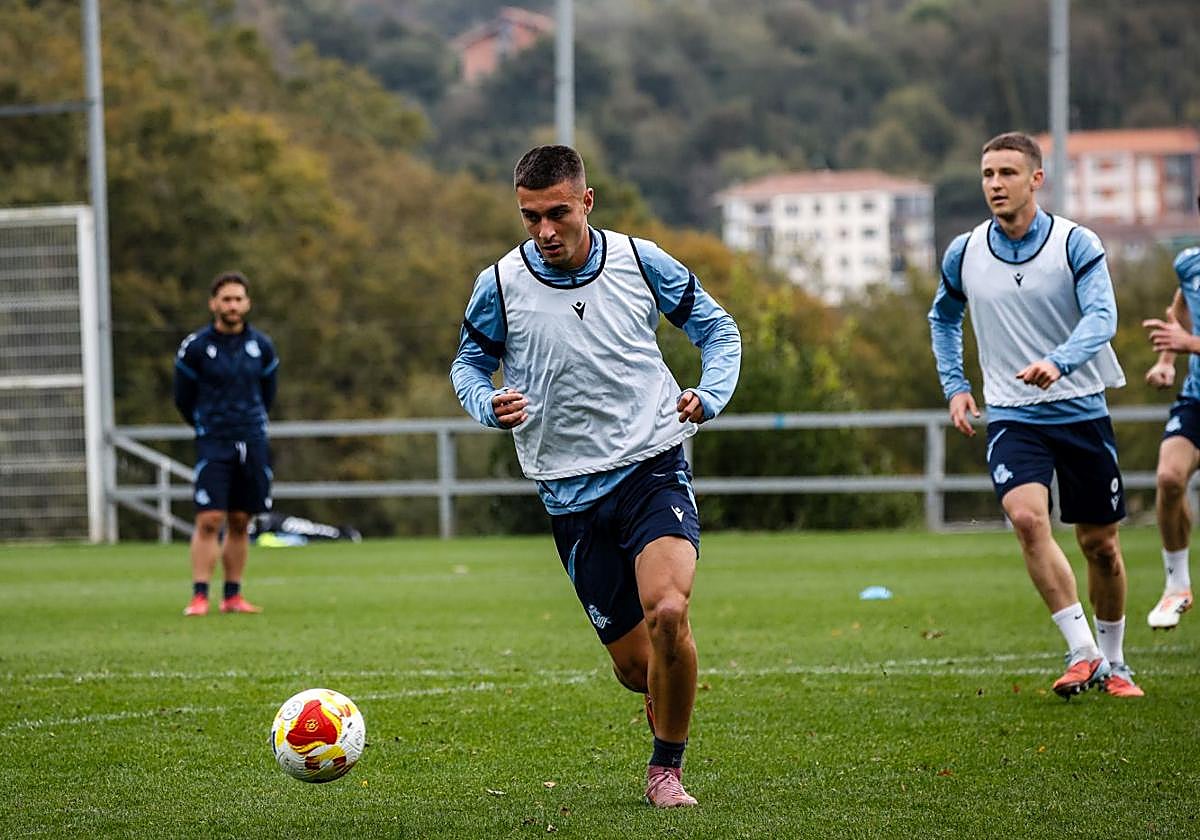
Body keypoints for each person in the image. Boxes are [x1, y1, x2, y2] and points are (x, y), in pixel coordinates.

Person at [451, 145, 741, 807]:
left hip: (652, 465)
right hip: (568, 492)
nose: (545, 231)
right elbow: (468, 364)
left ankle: (665, 769)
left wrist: (711, 393)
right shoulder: (500, 284)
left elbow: (718, 331)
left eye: (557, 213)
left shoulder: (640, 261)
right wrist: (486, 403)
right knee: (638, 669)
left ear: (587, 201)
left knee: (669, 611)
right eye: (530, 217)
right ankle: (661, 695)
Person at [928, 131, 1142, 698]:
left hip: (1081, 410)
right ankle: (1083, 652)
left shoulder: (1076, 243)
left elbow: (1103, 317)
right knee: (1026, 519)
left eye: (1007, 173)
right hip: (1013, 414)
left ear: (1036, 179)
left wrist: (1059, 361)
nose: (995, 184)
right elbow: (943, 317)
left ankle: (1115, 662)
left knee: (1101, 546)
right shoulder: (964, 252)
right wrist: (956, 386)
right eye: (987, 175)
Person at [174, 271, 279, 616]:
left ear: (247, 304)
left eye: (238, 299)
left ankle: (232, 595)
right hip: (214, 441)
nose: (232, 305)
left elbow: (268, 394)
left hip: (252, 440)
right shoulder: (196, 348)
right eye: (226, 299)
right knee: (209, 518)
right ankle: (199, 595)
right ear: (213, 304)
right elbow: (183, 397)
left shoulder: (261, 347)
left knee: (240, 520)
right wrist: (207, 425)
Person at [1140, 218, 1200, 630]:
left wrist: (1190, 344)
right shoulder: (1190, 263)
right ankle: (1177, 585)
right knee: (1169, 477)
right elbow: (1180, 309)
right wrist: (1166, 361)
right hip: (1196, 400)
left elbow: (1187, 336)